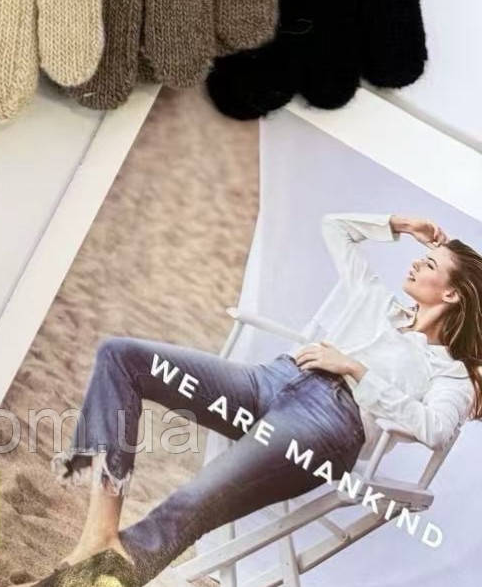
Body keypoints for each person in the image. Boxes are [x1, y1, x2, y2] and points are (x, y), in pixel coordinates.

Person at [35, 214, 482, 587]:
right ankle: (97, 537)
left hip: (326, 427)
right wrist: (401, 225)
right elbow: (334, 227)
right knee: (122, 357)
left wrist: (355, 370)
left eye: (429, 263)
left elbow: (435, 428)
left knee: (193, 500)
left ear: (451, 293)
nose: (415, 263)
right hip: (271, 380)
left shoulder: (451, 372)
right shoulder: (374, 298)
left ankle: (83, 578)